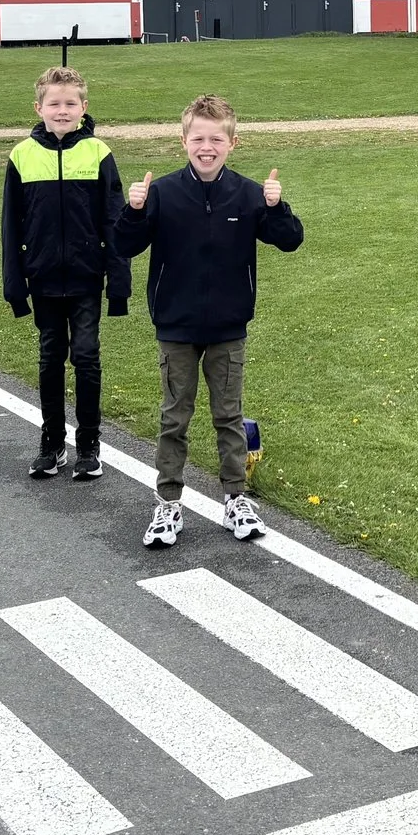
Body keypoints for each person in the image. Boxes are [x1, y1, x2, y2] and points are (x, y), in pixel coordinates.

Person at [116, 93, 303, 546]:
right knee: (174, 417)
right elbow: (125, 245)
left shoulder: (248, 193)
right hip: (176, 325)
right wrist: (134, 210)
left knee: (228, 415)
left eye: (216, 138)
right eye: (198, 138)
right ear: (183, 141)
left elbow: (290, 240)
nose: (207, 146)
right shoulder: (161, 192)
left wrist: (277, 206)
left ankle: (235, 498)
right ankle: (168, 504)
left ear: (232, 142)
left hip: (227, 325)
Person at [0, 65, 129, 481]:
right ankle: (52, 443)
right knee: (50, 357)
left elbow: (115, 220)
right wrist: (14, 284)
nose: (62, 110)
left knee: (87, 356)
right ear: (38, 107)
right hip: (43, 279)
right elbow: (11, 225)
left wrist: (119, 283)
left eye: (70, 103)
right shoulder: (22, 155)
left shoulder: (98, 153)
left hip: (87, 277)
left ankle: (89, 444)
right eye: (54, 104)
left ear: (84, 107)